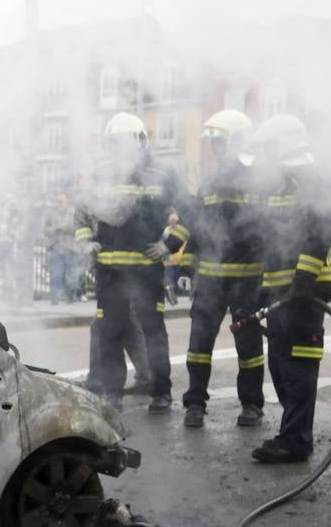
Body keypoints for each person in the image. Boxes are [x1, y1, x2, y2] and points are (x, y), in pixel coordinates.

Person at [75, 112, 187, 413]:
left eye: (121, 142)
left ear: (139, 141)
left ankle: (161, 393)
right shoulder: (102, 173)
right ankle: (112, 394)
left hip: (146, 272)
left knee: (154, 332)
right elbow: (81, 212)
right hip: (109, 272)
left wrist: (168, 244)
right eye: (113, 143)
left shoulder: (163, 174)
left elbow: (190, 211)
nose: (117, 149)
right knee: (110, 332)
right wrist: (86, 240)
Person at [246, 114, 331, 464]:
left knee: (298, 367)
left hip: (304, 292)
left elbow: (321, 228)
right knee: (281, 366)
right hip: (279, 290)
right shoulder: (279, 184)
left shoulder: (311, 180)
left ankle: (296, 440)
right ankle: (293, 433)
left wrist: (305, 276)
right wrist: (257, 290)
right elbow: (267, 241)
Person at [178, 109, 267, 429]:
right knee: (199, 344)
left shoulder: (259, 180)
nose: (214, 149)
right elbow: (199, 231)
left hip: (248, 280)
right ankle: (195, 404)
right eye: (212, 144)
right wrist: (187, 269)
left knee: (249, 347)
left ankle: (252, 405)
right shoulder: (210, 181)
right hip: (212, 280)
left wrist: (269, 276)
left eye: (219, 142)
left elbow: (270, 231)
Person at [43, 194, 78, 304]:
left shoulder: (74, 213)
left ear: (67, 202)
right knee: (56, 274)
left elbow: (79, 228)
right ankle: (55, 299)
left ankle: (69, 298)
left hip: (70, 248)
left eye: (62, 201)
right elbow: (44, 229)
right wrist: (56, 228)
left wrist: (68, 228)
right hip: (55, 247)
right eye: (58, 201)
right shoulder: (50, 214)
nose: (60, 203)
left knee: (71, 275)